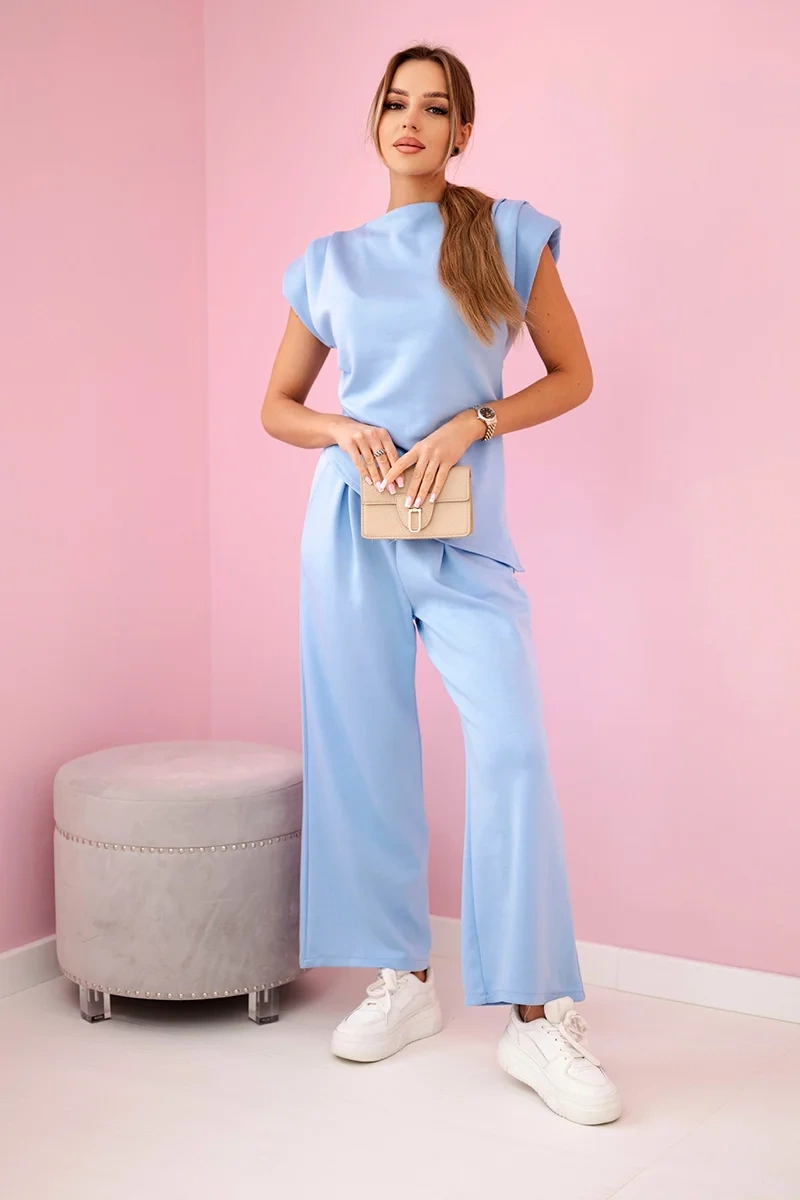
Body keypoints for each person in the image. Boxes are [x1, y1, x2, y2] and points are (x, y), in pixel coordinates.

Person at [261, 42, 622, 1126]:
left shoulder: (504, 235)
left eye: (433, 107)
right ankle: (401, 977)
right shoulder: (328, 261)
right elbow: (278, 406)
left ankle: (535, 1015)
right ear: (375, 120)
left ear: (462, 131)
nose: (410, 120)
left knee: (510, 747)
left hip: (464, 538)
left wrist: (475, 422)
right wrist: (342, 430)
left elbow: (573, 375)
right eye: (394, 103)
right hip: (350, 530)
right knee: (365, 751)